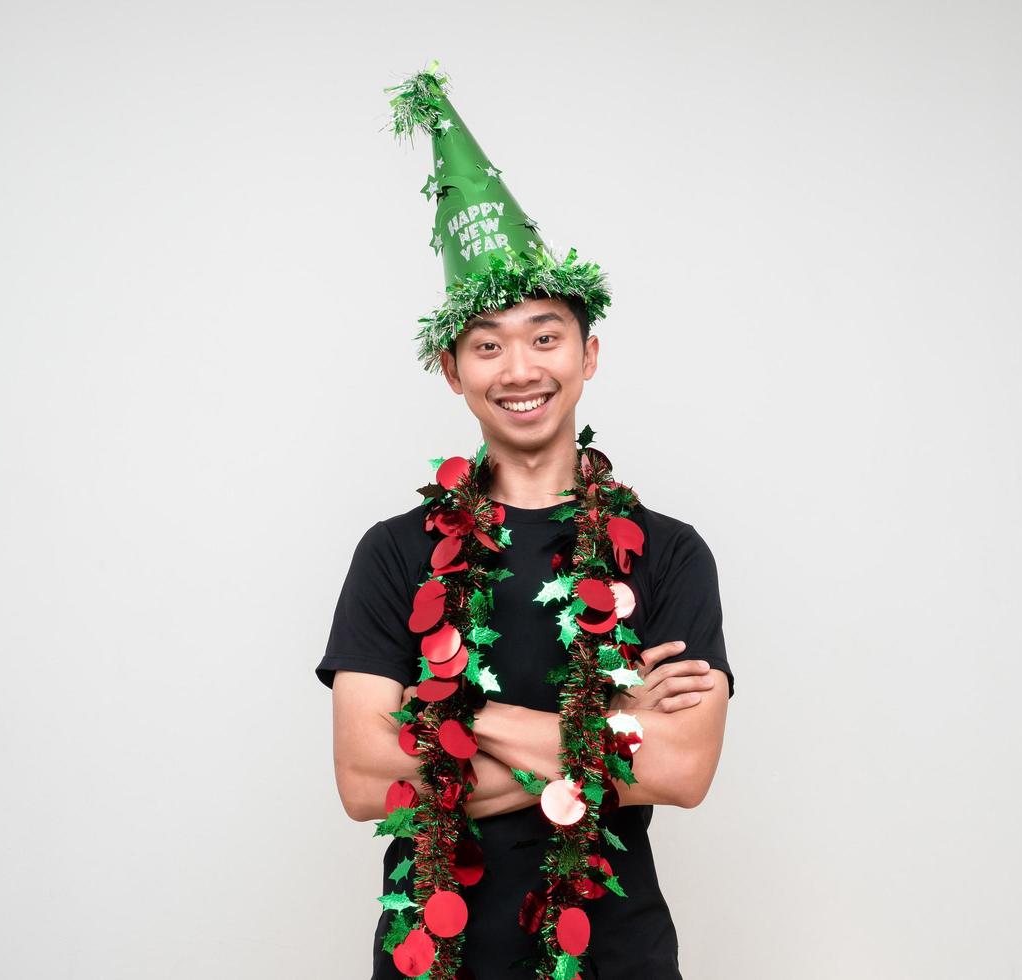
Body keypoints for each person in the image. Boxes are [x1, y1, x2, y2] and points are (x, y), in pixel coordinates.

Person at [315, 62, 735, 979]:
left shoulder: (669, 553)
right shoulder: (395, 555)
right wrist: (610, 724)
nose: (520, 368)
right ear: (452, 371)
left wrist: (450, 719)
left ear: (589, 354)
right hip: (437, 960)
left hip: (615, 958)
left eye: (545, 337)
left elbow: (680, 772)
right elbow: (362, 782)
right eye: (487, 345)